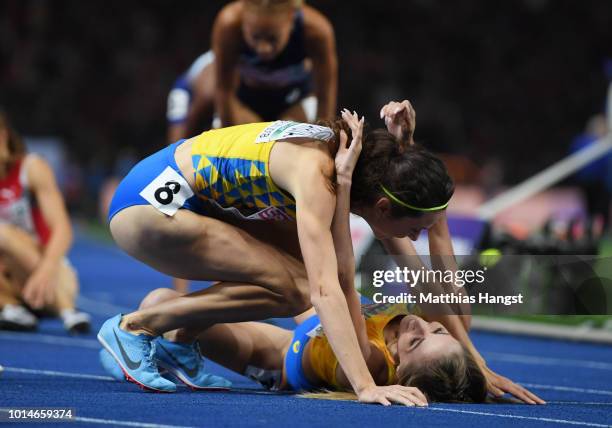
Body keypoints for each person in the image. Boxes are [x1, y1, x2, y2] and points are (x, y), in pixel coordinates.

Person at [98, 101, 543, 405]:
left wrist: (476, 363)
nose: (414, 240)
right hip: (150, 209)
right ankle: (135, 328)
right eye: (414, 229)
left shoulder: (364, 170)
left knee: (296, 280)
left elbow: (431, 286)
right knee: (299, 289)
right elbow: (331, 288)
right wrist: (366, 386)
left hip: (179, 198)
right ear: (383, 208)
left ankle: (177, 337)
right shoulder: (324, 177)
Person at [101, 288, 485, 404]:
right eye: (439, 331)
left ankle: (162, 346)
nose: (421, 324)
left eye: (415, 341)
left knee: (157, 303)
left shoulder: (369, 362)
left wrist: (347, 183)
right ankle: (172, 349)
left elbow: (339, 279)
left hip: (280, 358)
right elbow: (432, 237)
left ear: (398, 372)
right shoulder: (423, 333)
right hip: (305, 328)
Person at [166, 0, 337, 142]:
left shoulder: (316, 32)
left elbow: (325, 98)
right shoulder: (228, 24)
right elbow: (224, 93)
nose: (263, 48)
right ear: (244, 22)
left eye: (272, 39)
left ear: (291, 20)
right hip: (239, 99)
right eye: (255, 37)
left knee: (293, 145)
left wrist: (321, 144)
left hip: (291, 99)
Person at [0, 111, 91, 334]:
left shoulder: (31, 168)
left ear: (3, 137)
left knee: (2, 233)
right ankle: (11, 307)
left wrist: (46, 269)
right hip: (8, 282)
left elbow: (62, 228)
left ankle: (67, 310)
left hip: (53, 277)